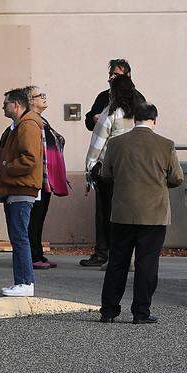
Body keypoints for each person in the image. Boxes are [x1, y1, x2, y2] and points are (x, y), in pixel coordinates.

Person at [98, 103, 183, 324]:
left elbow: (106, 173)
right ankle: (141, 312)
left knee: (117, 262)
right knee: (147, 264)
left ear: (134, 119)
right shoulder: (166, 145)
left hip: (122, 212)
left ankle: (108, 310)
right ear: (155, 120)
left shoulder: (116, 143)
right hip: (154, 214)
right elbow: (177, 178)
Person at [82, 74, 140, 268]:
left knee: (110, 216)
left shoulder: (110, 113)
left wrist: (90, 169)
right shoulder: (139, 113)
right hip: (135, 172)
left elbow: (97, 144)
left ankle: (115, 258)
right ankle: (131, 258)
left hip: (111, 171)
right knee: (130, 216)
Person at [0, 88, 44, 297]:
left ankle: (25, 283)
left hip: (20, 188)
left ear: (16, 105)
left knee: (20, 237)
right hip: (15, 188)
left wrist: (6, 168)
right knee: (18, 237)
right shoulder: (17, 127)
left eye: (6, 103)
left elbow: (30, 159)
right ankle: (22, 282)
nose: (3, 106)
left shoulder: (27, 126)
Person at [26, 85, 68, 270]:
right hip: (37, 178)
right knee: (34, 218)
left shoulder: (42, 120)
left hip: (47, 179)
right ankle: (32, 255)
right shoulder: (30, 122)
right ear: (30, 101)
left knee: (40, 217)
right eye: (39, 95)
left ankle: (38, 254)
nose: (43, 98)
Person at [84, 58, 145, 131]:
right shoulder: (103, 96)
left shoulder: (137, 98)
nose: (111, 78)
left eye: (116, 74)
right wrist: (94, 119)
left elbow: (143, 124)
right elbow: (89, 122)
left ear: (127, 75)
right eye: (110, 74)